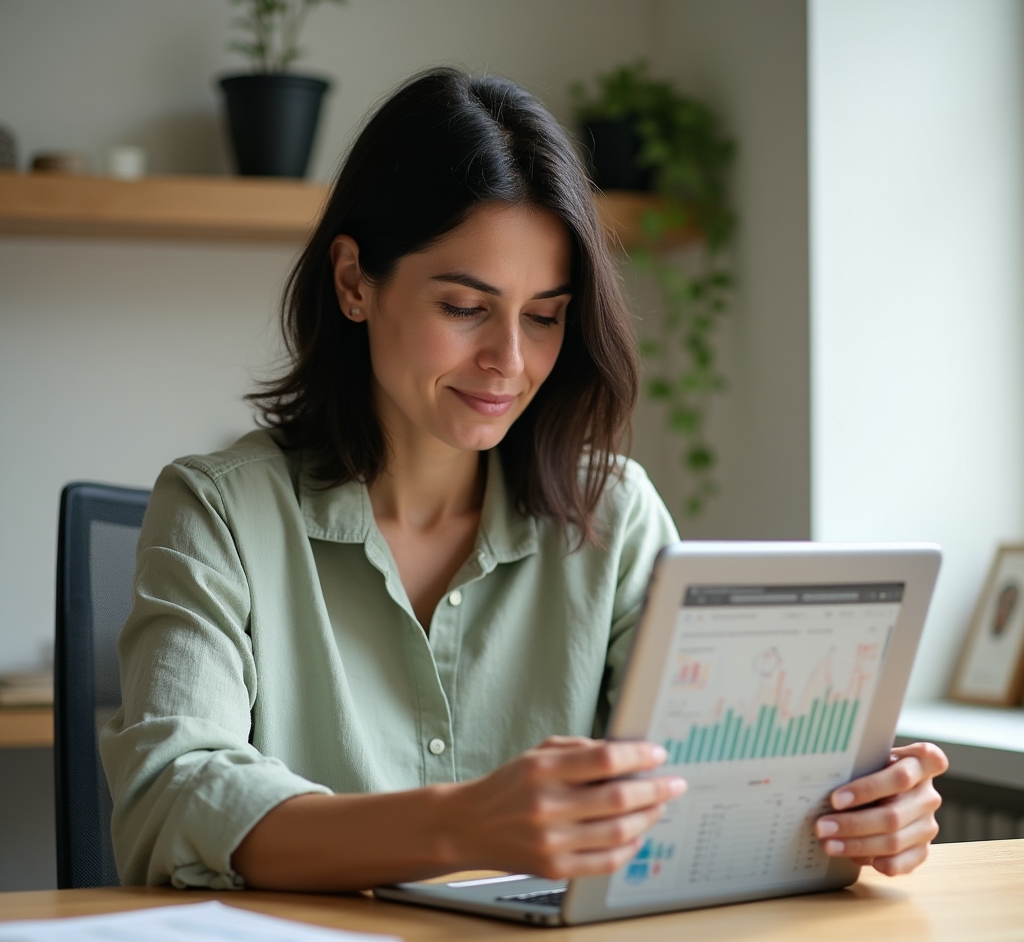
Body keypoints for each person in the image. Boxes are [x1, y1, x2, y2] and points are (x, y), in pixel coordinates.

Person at [101, 68, 947, 893]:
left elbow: (700, 796)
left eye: (544, 316)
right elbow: (171, 799)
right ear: (355, 280)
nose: (510, 361)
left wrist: (855, 815)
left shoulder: (613, 516)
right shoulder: (219, 511)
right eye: (465, 307)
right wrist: (462, 825)